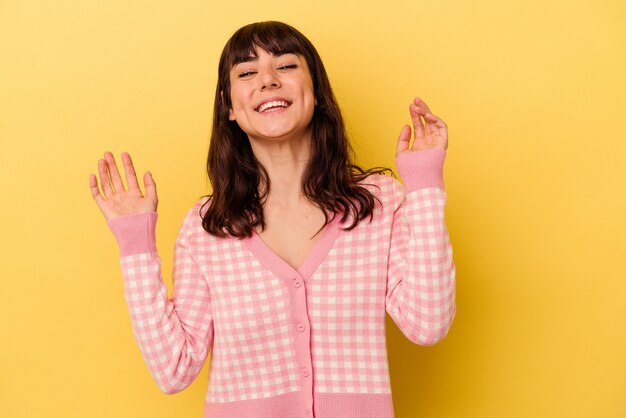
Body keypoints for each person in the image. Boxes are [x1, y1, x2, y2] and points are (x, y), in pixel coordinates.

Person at [89, 21, 455, 418]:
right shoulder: (207, 227)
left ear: (316, 93)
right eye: (247, 73)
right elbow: (173, 369)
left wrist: (424, 185)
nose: (267, 80)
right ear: (229, 106)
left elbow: (428, 323)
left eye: (286, 66)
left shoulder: (377, 203)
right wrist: (135, 245)